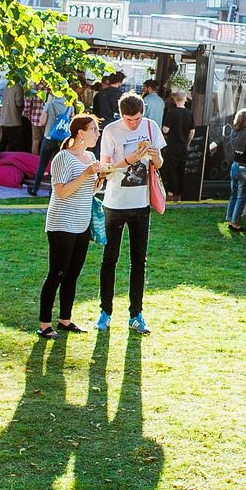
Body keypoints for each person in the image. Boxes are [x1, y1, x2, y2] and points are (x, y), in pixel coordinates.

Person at [97, 92, 164, 333]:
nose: (133, 123)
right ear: (120, 114)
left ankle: (136, 313)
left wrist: (155, 158)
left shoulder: (151, 126)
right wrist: (129, 159)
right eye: (129, 119)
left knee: (139, 260)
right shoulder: (111, 131)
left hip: (141, 203)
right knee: (110, 258)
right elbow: (104, 168)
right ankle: (105, 311)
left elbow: (160, 163)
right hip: (115, 203)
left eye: (137, 118)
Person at [37, 115, 107, 339]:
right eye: (94, 130)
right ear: (80, 133)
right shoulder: (62, 158)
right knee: (57, 273)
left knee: (73, 274)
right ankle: (45, 323)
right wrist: (87, 173)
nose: (97, 133)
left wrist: (99, 179)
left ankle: (65, 319)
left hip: (81, 223)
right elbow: (62, 192)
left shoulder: (90, 156)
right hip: (62, 223)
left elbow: (89, 192)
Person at [224, 108, 246, 227]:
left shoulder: (234, 132)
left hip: (235, 165)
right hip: (245, 167)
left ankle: (229, 218)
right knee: (241, 197)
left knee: (233, 194)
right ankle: (235, 223)